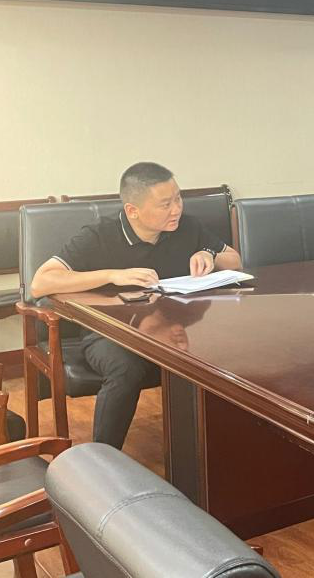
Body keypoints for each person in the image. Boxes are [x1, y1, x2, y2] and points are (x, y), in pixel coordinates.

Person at [28, 162, 242, 448]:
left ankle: (213, 452)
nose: (176, 209)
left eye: (178, 198)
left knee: (228, 349)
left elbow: (235, 260)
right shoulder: (99, 236)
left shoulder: (187, 227)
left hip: (177, 327)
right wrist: (112, 275)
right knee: (126, 369)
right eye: (165, 204)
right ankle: (102, 457)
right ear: (133, 210)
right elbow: (41, 282)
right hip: (110, 333)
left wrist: (209, 255)